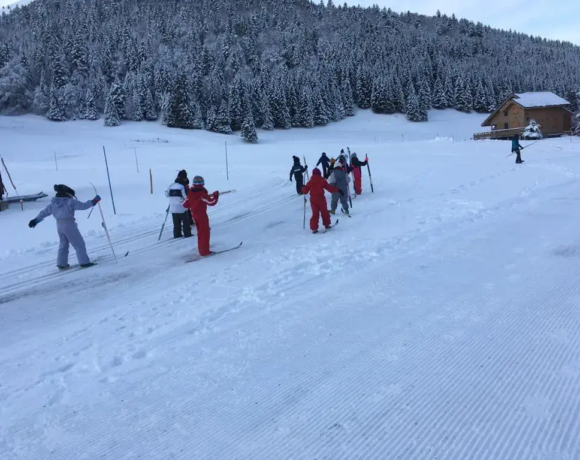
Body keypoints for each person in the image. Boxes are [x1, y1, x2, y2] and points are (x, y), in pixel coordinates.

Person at [28, 184, 100, 269]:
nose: (72, 197)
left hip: (59, 225)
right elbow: (83, 206)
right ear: (68, 194)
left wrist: (35, 220)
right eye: (72, 196)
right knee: (79, 244)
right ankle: (84, 262)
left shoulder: (53, 204)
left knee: (64, 244)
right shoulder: (70, 202)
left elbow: (44, 212)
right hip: (69, 224)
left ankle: (61, 263)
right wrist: (94, 201)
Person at [183, 176, 219, 256]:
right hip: (202, 215)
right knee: (205, 233)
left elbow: (185, 205)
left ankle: (201, 249)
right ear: (202, 184)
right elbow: (211, 202)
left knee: (200, 233)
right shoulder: (202, 194)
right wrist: (215, 197)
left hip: (194, 215)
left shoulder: (190, 193)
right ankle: (205, 252)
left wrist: (190, 200)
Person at [302, 168, 340, 234]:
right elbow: (330, 189)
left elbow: (305, 191)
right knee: (324, 212)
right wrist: (338, 190)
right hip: (321, 199)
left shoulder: (310, 182)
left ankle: (314, 228)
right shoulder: (322, 181)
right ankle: (327, 225)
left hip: (313, 200)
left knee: (315, 214)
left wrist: (302, 187)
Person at [165, 169, 192, 238]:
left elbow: (166, 194)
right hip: (181, 207)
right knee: (186, 221)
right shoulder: (182, 187)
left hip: (173, 207)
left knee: (176, 223)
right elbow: (186, 196)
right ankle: (187, 234)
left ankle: (177, 234)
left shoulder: (171, 186)